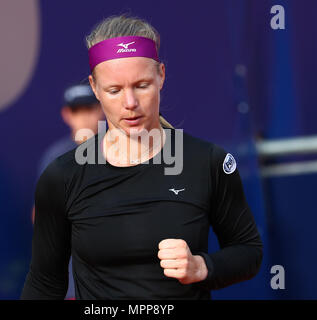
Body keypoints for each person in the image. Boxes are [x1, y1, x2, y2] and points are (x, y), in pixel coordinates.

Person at [21, 15, 263, 300]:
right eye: (114, 90)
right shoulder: (62, 176)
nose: (130, 103)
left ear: (161, 75)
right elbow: (44, 284)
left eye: (142, 85)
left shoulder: (206, 162)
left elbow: (248, 251)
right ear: (95, 88)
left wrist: (201, 266)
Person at [31, 82, 103, 299]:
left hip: (122, 274)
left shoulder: (123, 150)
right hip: (76, 277)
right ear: (66, 114)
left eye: (89, 108)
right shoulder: (55, 158)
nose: (83, 117)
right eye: (76, 110)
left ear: (100, 110)